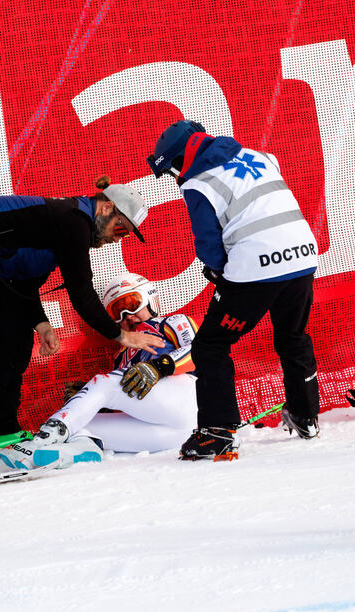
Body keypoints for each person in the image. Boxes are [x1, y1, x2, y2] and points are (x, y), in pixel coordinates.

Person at [0, 178, 166, 477]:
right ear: (105, 207)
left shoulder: (65, 224)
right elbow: (81, 292)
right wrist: (122, 335)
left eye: (125, 235)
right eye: (120, 229)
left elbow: (20, 285)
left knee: (15, 337)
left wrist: (42, 324)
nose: (118, 239)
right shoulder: (73, 221)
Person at [146, 120, 321, 461]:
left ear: (184, 155)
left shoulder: (199, 183)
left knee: (211, 346)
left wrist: (219, 270)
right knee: (292, 335)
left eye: (173, 167)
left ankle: (216, 431)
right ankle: (306, 415)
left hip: (256, 266)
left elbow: (209, 245)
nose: (176, 174)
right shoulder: (261, 155)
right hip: (303, 256)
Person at [0, 272, 198, 468]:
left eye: (131, 304)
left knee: (104, 383)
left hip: (190, 402)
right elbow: (133, 405)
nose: (127, 316)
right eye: (117, 312)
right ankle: (76, 451)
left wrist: (157, 368)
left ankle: (44, 437)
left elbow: (199, 353)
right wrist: (90, 402)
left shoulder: (172, 323)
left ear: (150, 299)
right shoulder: (122, 356)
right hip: (171, 434)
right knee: (81, 426)